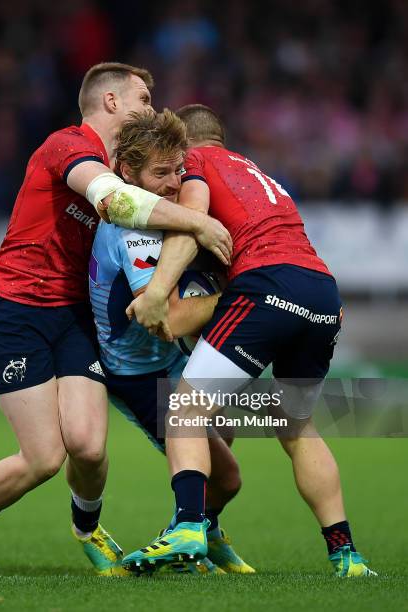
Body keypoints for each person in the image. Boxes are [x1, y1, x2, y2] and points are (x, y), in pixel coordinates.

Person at [0, 68, 232, 578]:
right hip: (13, 311)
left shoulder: (124, 164)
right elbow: (115, 202)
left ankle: (88, 530)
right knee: (44, 457)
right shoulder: (68, 146)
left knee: (86, 445)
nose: (152, 108)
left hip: (72, 315)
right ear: (110, 100)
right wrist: (199, 221)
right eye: (143, 98)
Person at [122, 104, 376, 577]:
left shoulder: (197, 163)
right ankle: (346, 554)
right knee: (299, 430)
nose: (176, 175)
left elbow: (193, 221)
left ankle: (188, 527)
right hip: (321, 292)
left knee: (183, 409)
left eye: (176, 163)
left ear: (188, 145)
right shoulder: (262, 177)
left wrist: (158, 292)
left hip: (267, 287)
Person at [90, 109, 254, 574]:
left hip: (172, 364)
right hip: (140, 372)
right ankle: (186, 537)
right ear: (127, 173)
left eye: (178, 170)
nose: (171, 183)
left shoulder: (169, 213)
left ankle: (198, 533)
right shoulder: (134, 230)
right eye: (160, 172)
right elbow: (170, 320)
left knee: (226, 428)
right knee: (227, 477)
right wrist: (249, 299)